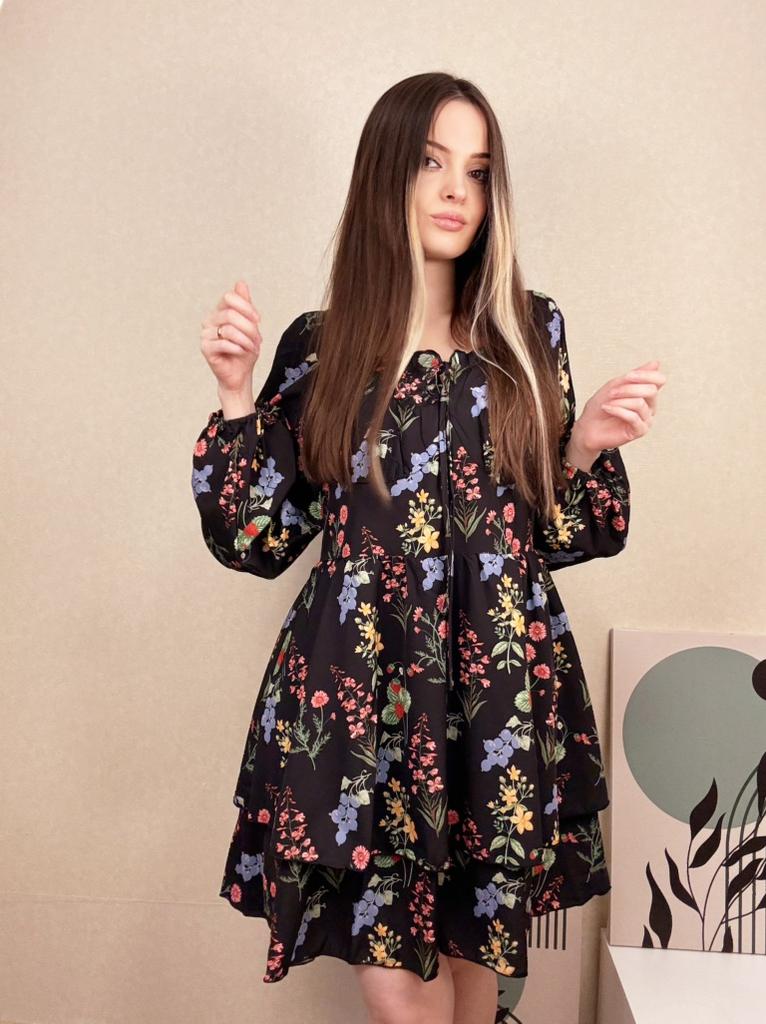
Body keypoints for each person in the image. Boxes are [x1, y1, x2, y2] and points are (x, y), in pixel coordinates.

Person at [190, 72, 664, 1024]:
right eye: (432, 163)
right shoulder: (323, 346)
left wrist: (582, 447)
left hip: (495, 699)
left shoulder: (529, 334)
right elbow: (259, 536)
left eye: (478, 171)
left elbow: (550, 536)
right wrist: (237, 395)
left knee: (472, 984)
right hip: (360, 699)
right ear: (387, 175)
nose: (457, 191)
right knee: (404, 998)